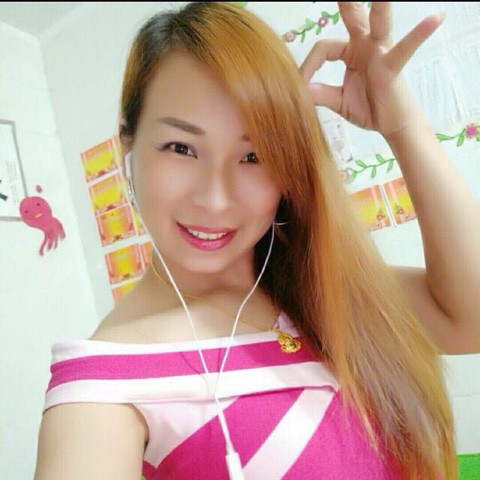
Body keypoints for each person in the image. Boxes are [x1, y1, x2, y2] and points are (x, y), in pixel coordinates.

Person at [35, 2, 480, 479]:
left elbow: (468, 320)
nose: (215, 199)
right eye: (181, 148)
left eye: (255, 156)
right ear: (129, 147)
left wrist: (403, 126)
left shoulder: (320, 291)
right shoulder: (104, 385)